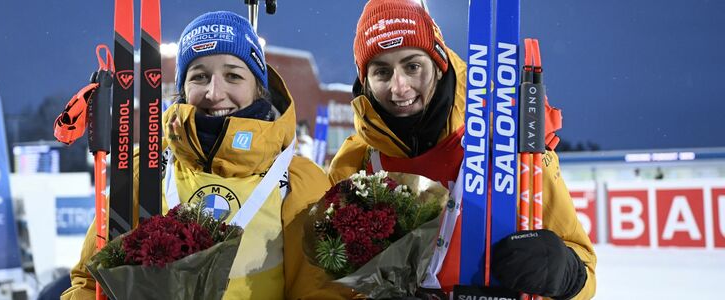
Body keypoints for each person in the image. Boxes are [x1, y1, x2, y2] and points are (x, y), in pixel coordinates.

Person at [62, 11, 351, 300]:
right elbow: (89, 284)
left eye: (233, 76)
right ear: (183, 90)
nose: (214, 92)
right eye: (199, 76)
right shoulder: (146, 170)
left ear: (258, 88)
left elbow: (322, 290)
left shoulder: (299, 181)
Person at [327, 1, 596, 299]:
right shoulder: (355, 164)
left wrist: (565, 273)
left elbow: (584, 267)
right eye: (382, 72)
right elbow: (327, 283)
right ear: (365, 82)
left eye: (413, 66)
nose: (399, 87)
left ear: (439, 65)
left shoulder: (505, 141)